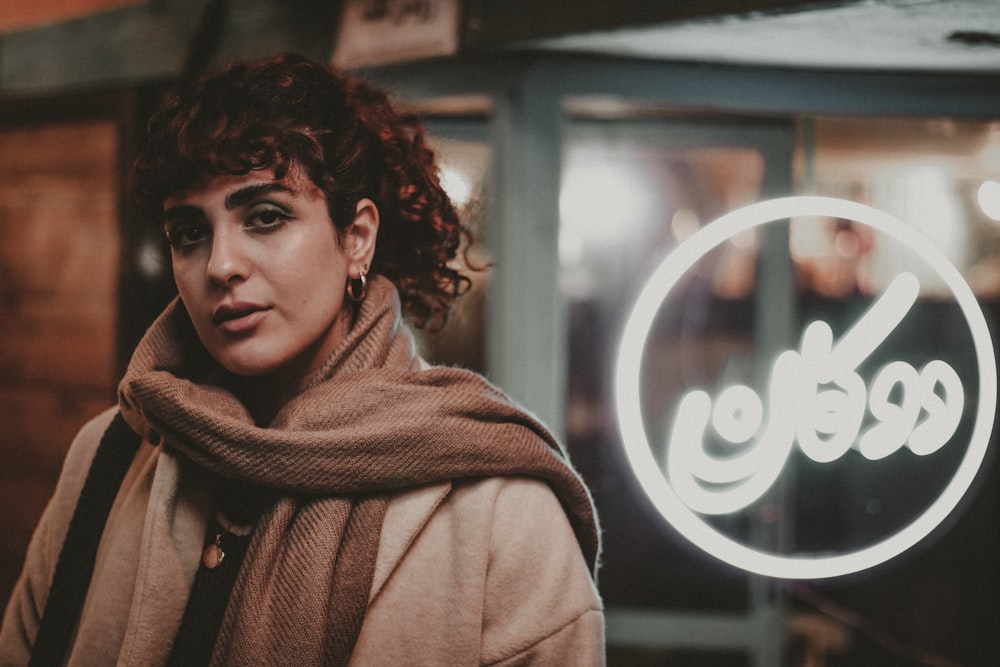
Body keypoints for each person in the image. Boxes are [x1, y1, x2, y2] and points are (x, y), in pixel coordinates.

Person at [0, 53, 603, 665]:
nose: (221, 265)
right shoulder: (111, 454)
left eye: (265, 217)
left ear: (357, 237)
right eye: (190, 232)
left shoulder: (501, 512)